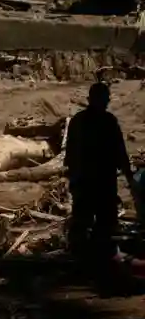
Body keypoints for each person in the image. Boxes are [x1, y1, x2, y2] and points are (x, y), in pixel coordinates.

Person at [64, 81, 136, 267]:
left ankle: (85, 259)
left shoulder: (79, 121)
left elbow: (70, 155)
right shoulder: (107, 121)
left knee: (87, 222)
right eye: (104, 99)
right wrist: (130, 179)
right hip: (100, 182)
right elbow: (120, 153)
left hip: (88, 182)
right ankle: (97, 260)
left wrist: (73, 178)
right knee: (100, 223)